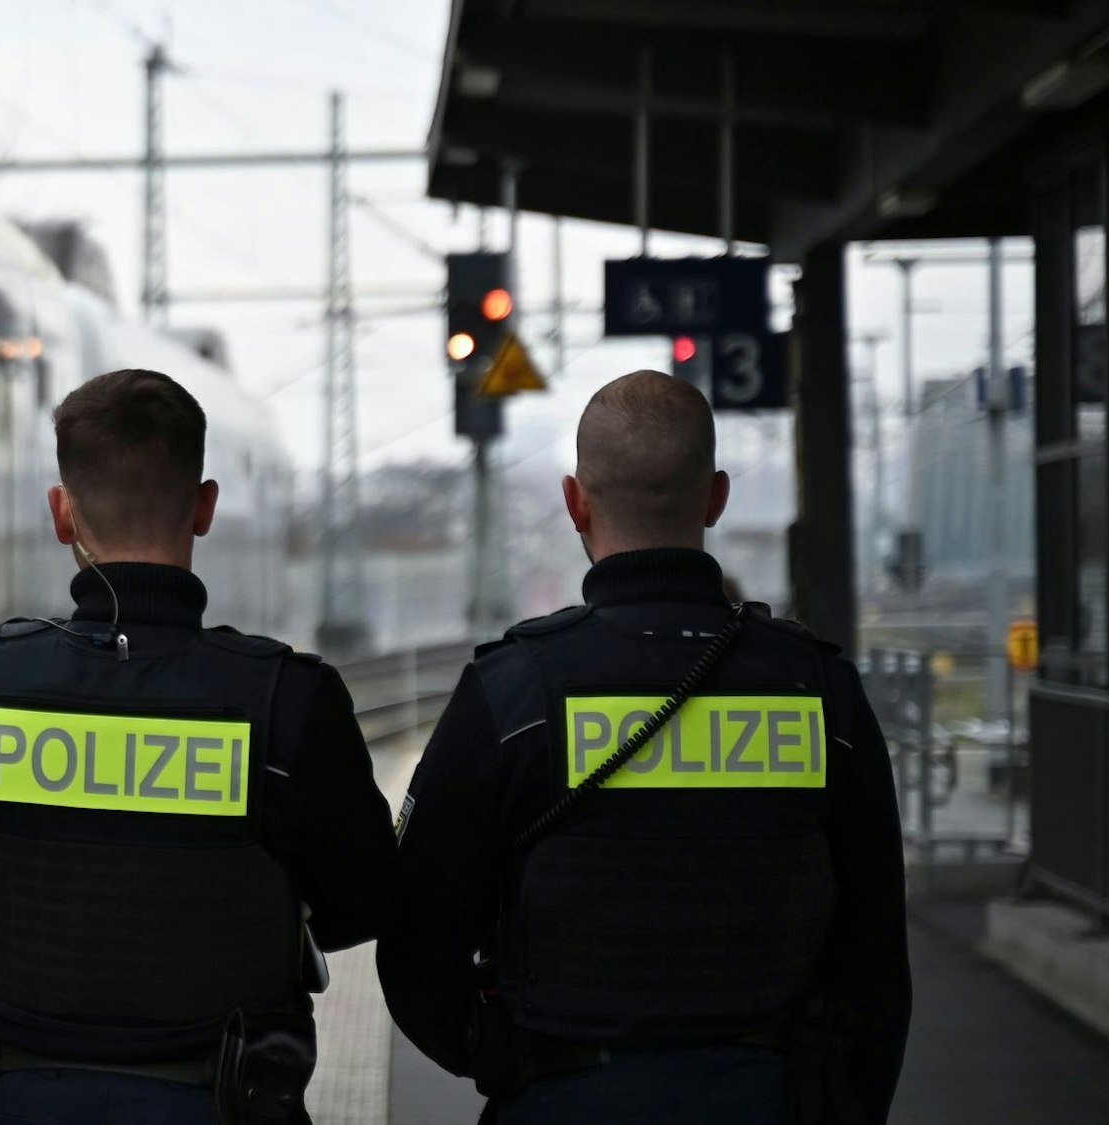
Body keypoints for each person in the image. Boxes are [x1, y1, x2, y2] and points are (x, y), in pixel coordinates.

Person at [378, 370, 910, 1124]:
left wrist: (502, 1058)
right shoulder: (819, 692)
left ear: (575, 502)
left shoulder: (514, 692)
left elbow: (415, 938)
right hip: (771, 1097)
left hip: (565, 1099)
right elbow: (877, 956)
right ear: (715, 496)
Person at [0, 368, 395, 1125]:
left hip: (17, 1098)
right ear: (204, 507)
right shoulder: (289, 700)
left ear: (62, 514)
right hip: (221, 1097)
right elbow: (364, 898)